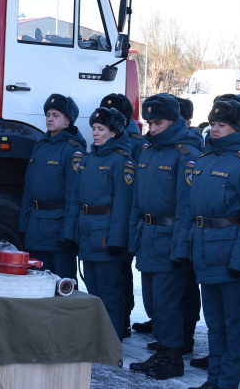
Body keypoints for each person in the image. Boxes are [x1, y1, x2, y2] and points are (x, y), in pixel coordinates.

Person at [176, 100, 240, 389]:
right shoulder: (206, 158)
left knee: (234, 325)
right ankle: (213, 379)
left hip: (230, 255)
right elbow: (191, 209)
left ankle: (227, 381)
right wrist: (185, 247)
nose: (213, 129)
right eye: (212, 124)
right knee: (214, 323)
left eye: (221, 125)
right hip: (204, 251)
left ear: (237, 127)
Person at [129, 93, 201, 380]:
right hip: (148, 235)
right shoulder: (147, 151)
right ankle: (164, 350)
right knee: (152, 301)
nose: (152, 128)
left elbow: (186, 207)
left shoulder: (186, 154)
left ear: (175, 121)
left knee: (167, 303)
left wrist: (181, 247)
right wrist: (135, 235)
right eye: (149, 122)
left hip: (170, 238)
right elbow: (137, 199)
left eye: (158, 122)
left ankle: (172, 357)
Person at [64, 107, 134, 340]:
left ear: (113, 132)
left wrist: (116, 241)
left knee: (111, 292)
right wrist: (70, 233)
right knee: (93, 292)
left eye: (100, 129)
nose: (95, 133)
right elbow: (75, 199)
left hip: (106, 236)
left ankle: (112, 340)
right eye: (93, 128)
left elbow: (123, 205)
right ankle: (97, 338)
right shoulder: (87, 160)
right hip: (87, 233)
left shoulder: (122, 161)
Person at [19, 94, 85, 280]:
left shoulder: (73, 150)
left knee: (61, 285)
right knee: (37, 284)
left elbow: (74, 195)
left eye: (55, 115)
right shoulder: (39, 146)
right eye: (48, 114)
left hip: (58, 232)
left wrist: (68, 233)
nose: (49, 118)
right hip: (36, 228)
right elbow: (28, 189)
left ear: (67, 121)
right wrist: (23, 225)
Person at [101, 93, 143, 338]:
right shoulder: (105, 136)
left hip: (124, 217)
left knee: (119, 274)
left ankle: (123, 318)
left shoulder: (135, 143)